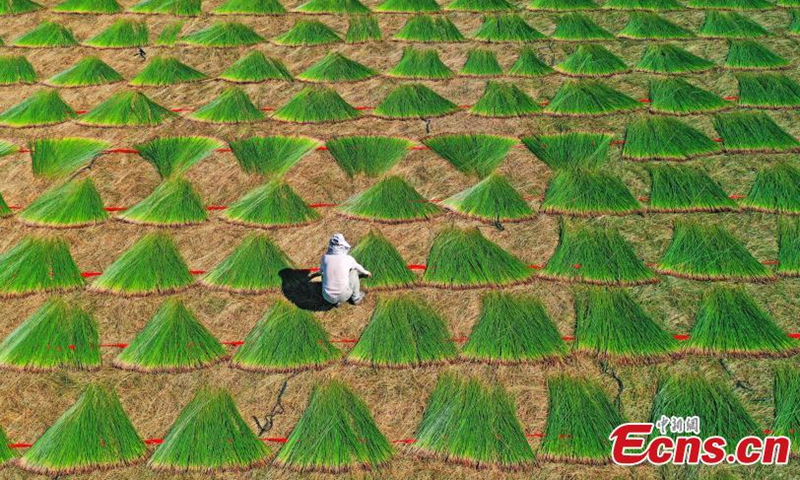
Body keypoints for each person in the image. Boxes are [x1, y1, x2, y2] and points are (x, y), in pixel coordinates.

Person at [320, 233, 371, 306]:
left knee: (323, 274)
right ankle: (356, 298)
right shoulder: (348, 259)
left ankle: (336, 302)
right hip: (344, 295)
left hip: (327, 297)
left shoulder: (325, 258)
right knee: (354, 272)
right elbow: (358, 267)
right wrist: (366, 272)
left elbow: (321, 271)